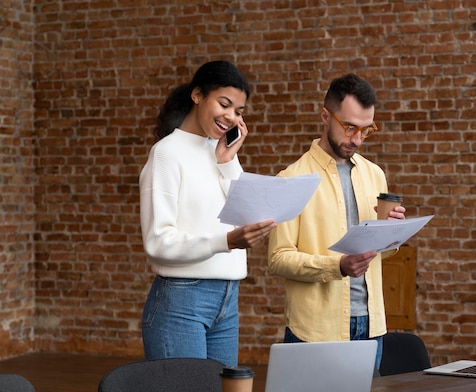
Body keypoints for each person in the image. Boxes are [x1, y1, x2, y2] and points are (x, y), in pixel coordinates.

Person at [139, 60, 276, 367]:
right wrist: (225, 241)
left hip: (228, 298)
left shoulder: (222, 153)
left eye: (239, 111)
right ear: (198, 95)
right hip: (181, 300)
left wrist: (228, 162)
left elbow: (242, 215)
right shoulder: (166, 153)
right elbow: (158, 242)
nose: (231, 117)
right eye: (224, 104)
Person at [267, 73, 406, 369]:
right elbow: (278, 259)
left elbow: (380, 252)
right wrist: (337, 266)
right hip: (315, 331)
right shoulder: (291, 180)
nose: (357, 139)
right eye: (350, 127)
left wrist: (392, 234)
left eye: (367, 130)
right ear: (325, 115)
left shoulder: (375, 174)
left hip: (371, 327)